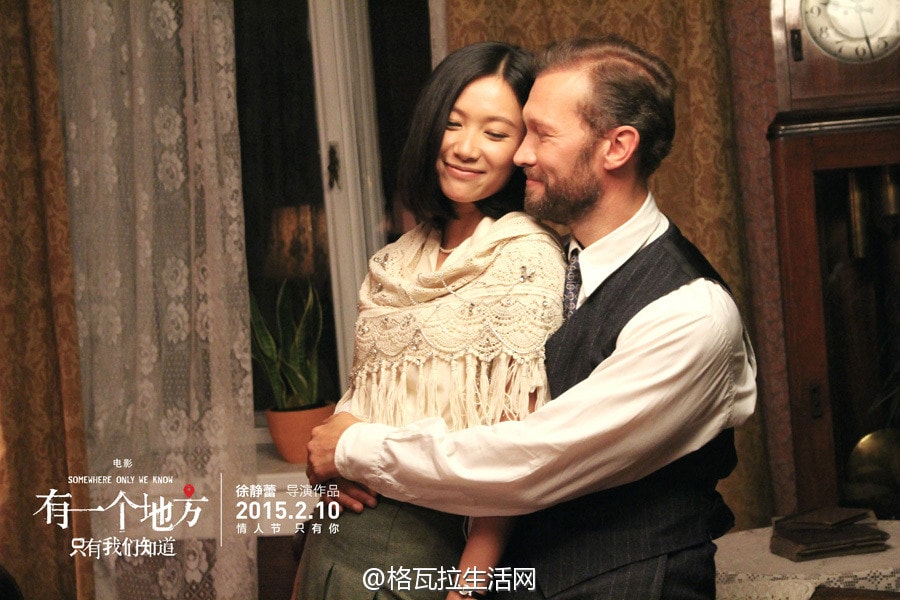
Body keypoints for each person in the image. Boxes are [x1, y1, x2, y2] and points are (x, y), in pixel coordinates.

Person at [306, 35, 757, 600]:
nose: (520, 155)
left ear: (617, 147)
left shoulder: (690, 314)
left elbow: (530, 460)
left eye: (540, 134)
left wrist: (353, 448)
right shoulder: (568, 263)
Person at [292, 41, 566, 600]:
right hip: (330, 549)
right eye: (453, 123)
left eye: (495, 133)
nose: (465, 148)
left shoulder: (527, 260)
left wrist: (467, 588)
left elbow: (512, 452)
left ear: (523, 149)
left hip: (422, 562)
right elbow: (358, 408)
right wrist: (328, 470)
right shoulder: (393, 263)